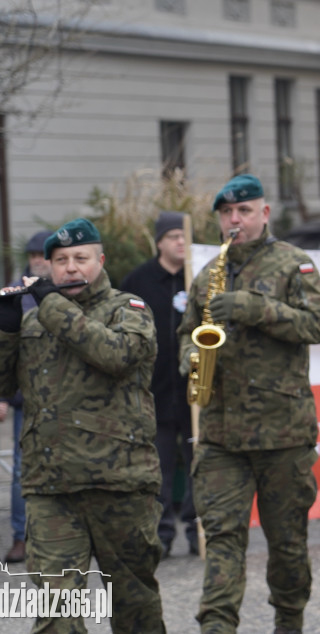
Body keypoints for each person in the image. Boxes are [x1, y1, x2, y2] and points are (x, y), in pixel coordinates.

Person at [0, 218, 166, 631]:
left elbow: (116, 355)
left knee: (136, 610)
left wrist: (51, 306)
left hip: (120, 484)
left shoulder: (128, 309)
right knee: (56, 614)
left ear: (100, 260)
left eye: (81, 258)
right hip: (51, 487)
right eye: (60, 261)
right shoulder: (34, 321)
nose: (71, 268)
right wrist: (3, 330)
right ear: (48, 267)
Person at [177, 174, 320, 634]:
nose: (234, 220)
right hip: (222, 435)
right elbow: (188, 329)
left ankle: (289, 621)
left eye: (244, 211)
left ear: (264, 213)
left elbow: (317, 326)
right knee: (223, 539)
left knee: (287, 545)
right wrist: (190, 354)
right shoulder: (208, 273)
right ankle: (217, 626)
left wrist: (254, 308)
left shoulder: (293, 264)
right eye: (227, 213)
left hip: (282, 434)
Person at [121, 211, 198, 559]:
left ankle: (199, 532)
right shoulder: (138, 280)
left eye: (185, 236)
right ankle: (161, 534)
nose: (180, 242)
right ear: (159, 242)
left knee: (199, 466)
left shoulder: (200, 276)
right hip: (153, 394)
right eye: (173, 237)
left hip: (195, 395)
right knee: (158, 471)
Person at [1, 228, 53, 564]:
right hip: (27, 395)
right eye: (33, 257)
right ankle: (21, 536)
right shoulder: (18, 294)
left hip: (64, 395)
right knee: (23, 468)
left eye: (42, 257)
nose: (37, 262)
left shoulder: (65, 291)